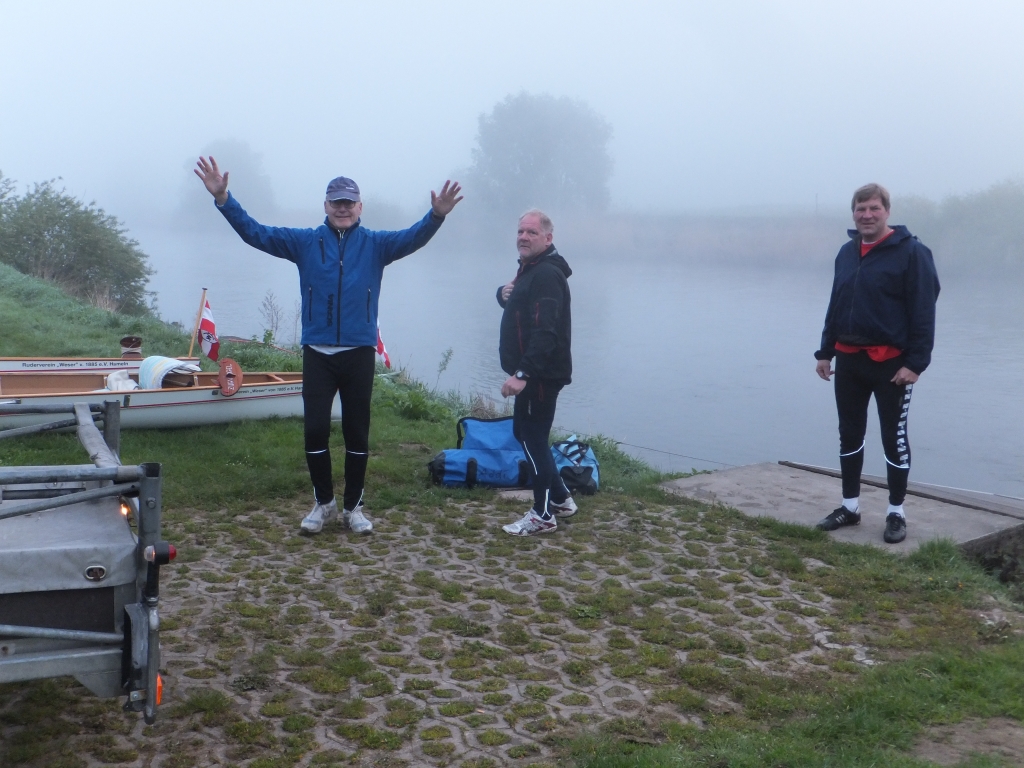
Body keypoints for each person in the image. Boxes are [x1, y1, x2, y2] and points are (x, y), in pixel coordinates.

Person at [195, 156, 462, 535]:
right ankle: (324, 503)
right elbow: (255, 233)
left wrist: (435, 216)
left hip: (358, 353)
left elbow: (412, 238)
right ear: (326, 206)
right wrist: (224, 199)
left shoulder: (376, 245)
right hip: (318, 353)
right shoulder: (305, 242)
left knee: (357, 434)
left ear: (360, 207)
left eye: (349, 203)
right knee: (315, 432)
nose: (342, 208)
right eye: (336, 202)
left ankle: (354, 507)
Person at [814, 183, 940, 544]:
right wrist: (825, 352)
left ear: (887, 211)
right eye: (860, 209)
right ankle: (849, 507)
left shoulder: (912, 252)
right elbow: (837, 303)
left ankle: (896, 512)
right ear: (853, 213)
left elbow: (924, 311)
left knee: (892, 438)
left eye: (874, 208)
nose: (866, 215)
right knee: (849, 434)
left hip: (892, 367)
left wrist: (916, 364)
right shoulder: (847, 252)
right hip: (849, 361)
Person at [496, 209, 576, 536]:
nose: (523, 237)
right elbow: (524, 311)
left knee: (533, 439)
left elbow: (546, 331)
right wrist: (502, 295)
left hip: (540, 375)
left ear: (548, 238)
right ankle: (560, 498)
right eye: (520, 232)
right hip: (533, 372)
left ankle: (542, 515)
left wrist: (523, 374)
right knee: (524, 434)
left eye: (531, 232)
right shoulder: (531, 268)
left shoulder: (545, 275)